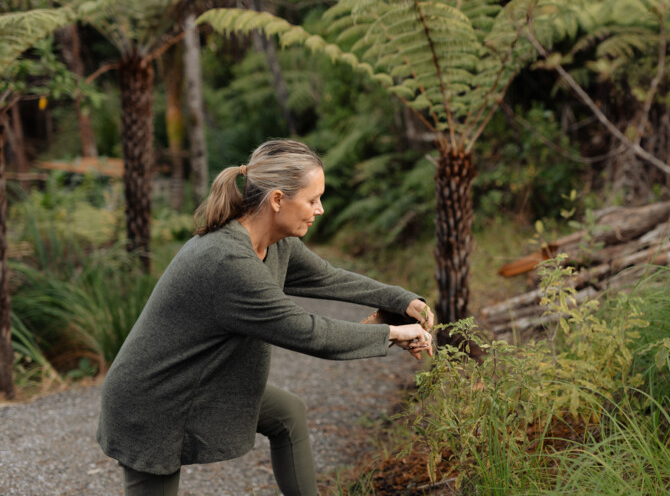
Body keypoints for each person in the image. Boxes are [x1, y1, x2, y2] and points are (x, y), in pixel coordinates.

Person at [97, 139, 434, 496]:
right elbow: (310, 333)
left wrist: (404, 300)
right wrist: (394, 334)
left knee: (287, 415)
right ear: (277, 200)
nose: (320, 209)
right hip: (154, 400)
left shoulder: (275, 243)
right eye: (312, 199)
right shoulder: (229, 264)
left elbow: (329, 278)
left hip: (205, 381)